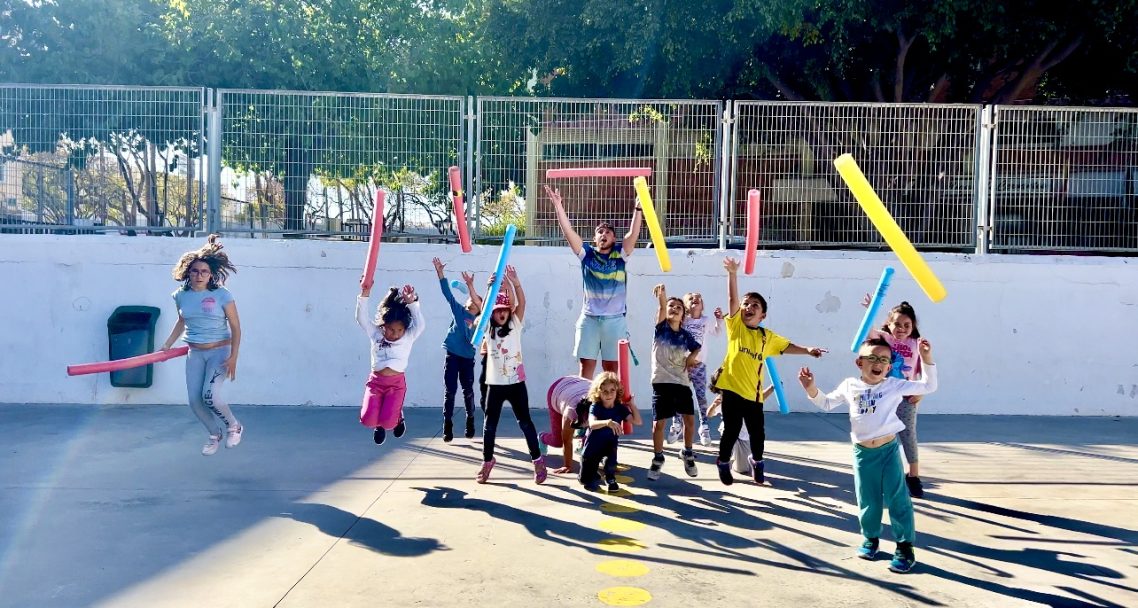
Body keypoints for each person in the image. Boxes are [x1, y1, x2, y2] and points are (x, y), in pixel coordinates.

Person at [797, 336, 938, 574]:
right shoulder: (850, 385)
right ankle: (870, 539)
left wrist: (926, 357)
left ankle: (904, 547)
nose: (878, 363)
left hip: (889, 451)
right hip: (863, 454)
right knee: (868, 500)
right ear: (859, 362)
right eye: (872, 358)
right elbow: (827, 403)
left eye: (884, 359)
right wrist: (810, 388)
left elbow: (928, 386)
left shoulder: (893, 385)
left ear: (889, 365)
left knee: (897, 500)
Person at [713, 257, 827, 485]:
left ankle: (757, 461)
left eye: (755, 305)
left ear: (763, 315)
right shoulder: (735, 328)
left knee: (758, 433)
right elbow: (732, 299)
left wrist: (808, 350)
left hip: (753, 395)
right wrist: (732, 274)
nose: (748, 307)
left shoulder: (767, 337)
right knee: (731, 430)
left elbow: (787, 347)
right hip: (732, 389)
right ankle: (723, 461)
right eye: (747, 303)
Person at [544, 184, 643, 379]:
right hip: (589, 320)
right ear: (594, 238)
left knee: (611, 370)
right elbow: (568, 232)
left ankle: (611, 408)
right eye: (600, 232)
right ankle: (586, 407)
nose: (604, 234)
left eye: (608, 232)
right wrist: (558, 205)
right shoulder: (587, 255)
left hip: (614, 321)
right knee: (586, 368)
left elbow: (632, 235)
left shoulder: (620, 255)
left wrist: (638, 209)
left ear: (614, 238)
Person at [160, 234, 244, 456]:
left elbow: (236, 327)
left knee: (210, 396)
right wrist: (167, 345)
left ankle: (234, 426)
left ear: (211, 274)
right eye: (195, 271)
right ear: (188, 272)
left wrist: (234, 357)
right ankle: (214, 434)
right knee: (195, 401)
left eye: (204, 271)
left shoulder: (222, 295)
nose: (199, 275)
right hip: (194, 353)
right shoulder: (181, 295)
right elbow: (182, 321)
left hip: (220, 352)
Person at [475, 266, 547, 484]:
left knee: (525, 422)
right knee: (490, 424)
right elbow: (484, 310)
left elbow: (521, 304)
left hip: (516, 383)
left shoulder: (515, 324)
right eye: (497, 310)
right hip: (495, 385)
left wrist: (515, 283)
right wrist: (490, 289)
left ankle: (537, 460)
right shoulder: (488, 328)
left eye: (504, 309)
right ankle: (487, 461)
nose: (501, 313)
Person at [861, 298, 929, 498]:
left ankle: (914, 476)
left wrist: (921, 391)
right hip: (883, 396)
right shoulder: (885, 339)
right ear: (889, 324)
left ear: (913, 326)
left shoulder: (916, 343)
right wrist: (871, 310)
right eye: (897, 324)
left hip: (906, 397)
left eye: (907, 325)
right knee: (881, 435)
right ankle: (883, 475)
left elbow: (925, 367)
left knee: (908, 435)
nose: (901, 328)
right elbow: (868, 330)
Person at [357, 280, 425, 445]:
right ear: (383, 326)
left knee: (389, 423)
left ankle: (397, 419)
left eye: (399, 330)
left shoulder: (408, 336)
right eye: (391, 330)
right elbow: (362, 319)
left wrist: (412, 304)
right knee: (367, 420)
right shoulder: (376, 334)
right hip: (375, 383)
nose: (396, 334)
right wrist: (364, 294)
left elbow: (420, 325)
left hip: (396, 385)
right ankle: (378, 426)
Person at [646, 283, 702, 482]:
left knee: (689, 420)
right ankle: (658, 457)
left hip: (681, 382)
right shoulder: (661, 329)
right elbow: (662, 307)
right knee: (658, 424)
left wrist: (690, 358)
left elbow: (697, 347)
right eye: (671, 306)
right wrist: (663, 296)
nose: (674, 309)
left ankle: (687, 452)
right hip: (661, 382)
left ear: (683, 316)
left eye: (678, 307)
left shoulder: (685, 336)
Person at [432, 257, 483, 442]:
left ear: (479, 308)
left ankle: (470, 419)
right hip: (452, 356)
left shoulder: (480, 322)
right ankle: (447, 424)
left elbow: (484, 312)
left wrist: (472, 287)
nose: (472, 300)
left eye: (476, 300)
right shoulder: (459, 310)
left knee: (468, 390)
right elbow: (448, 295)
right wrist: (440, 274)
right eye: (471, 298)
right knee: (450, 390)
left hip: (467, 359)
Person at [667, 292, 721, 446]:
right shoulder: (683, 321)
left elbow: (717, 332)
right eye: (690, 298)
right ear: (685, 307)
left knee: (701, 396)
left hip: (699, 365)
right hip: (682, 365)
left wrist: (719, 320)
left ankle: (704, 426)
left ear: (702, 305)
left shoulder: (706, 320)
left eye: (698, 298)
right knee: (678, 396)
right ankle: (676, 424)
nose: (695, 299)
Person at [578, 372, 643, 492]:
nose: (609, 394)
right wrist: (608, 422)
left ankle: (610, 477)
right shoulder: (595, 407)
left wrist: (631, 405)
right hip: (592, 447)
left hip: (609, 444)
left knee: (611, 461)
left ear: (617, 390)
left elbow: (637, 421)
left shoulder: (620, 408)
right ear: (598, 392)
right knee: (585, 480)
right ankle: (593, 471)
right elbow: (592, 424)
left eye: (612, 390)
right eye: (604, 391)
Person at [540, 375, 593, 474]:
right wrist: (567, 465)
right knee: (558, 441)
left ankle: (583, 440)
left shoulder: (605, 405)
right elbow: (567, 441)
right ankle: (542, 437)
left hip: (580, 383)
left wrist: (612, 463)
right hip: (557, 390)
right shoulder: (571, 412)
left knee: (598, 434)